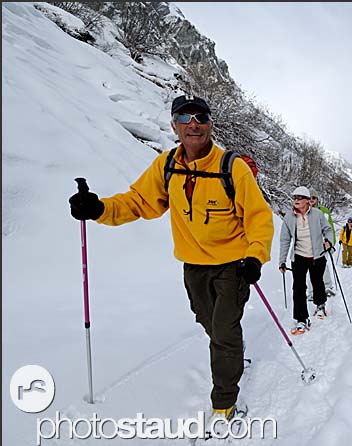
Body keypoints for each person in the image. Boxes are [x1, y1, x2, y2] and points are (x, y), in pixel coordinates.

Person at [68, 95, 274, 421]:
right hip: (193, 266)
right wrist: (99, 209)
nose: (194, 124)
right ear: (174, 125)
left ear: (210, 124)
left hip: (233, 266)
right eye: (185, 117)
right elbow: (138, 202)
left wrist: (255, 256)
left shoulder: (231, 167)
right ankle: (233, 349)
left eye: (201, 117)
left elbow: (258, 217)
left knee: (222, 331)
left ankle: (224, 403)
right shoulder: (166, 166)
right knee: (210, 324)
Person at [279, 186, 333, 333]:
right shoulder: (289, 217)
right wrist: (282, 261)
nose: (296, 200)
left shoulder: (317, 214)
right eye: (294, 197)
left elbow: (327, 229)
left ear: (308, 201)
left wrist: (328, 240)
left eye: (299, 197)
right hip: (298, 257)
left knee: (317, 282)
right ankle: (301, 319)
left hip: (317, 255)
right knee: (298, 288)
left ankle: (320, 305)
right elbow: (285, 239)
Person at [308, 188, 336, 297]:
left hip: (322, 243)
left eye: (313, 198)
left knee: (322, 266)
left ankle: (328, 286)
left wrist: (331, 243)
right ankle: (312, 292)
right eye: (309, 198)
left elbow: (330, 228)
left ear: (317, 199)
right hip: (309, 244)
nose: (311, 200)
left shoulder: (324, 211)